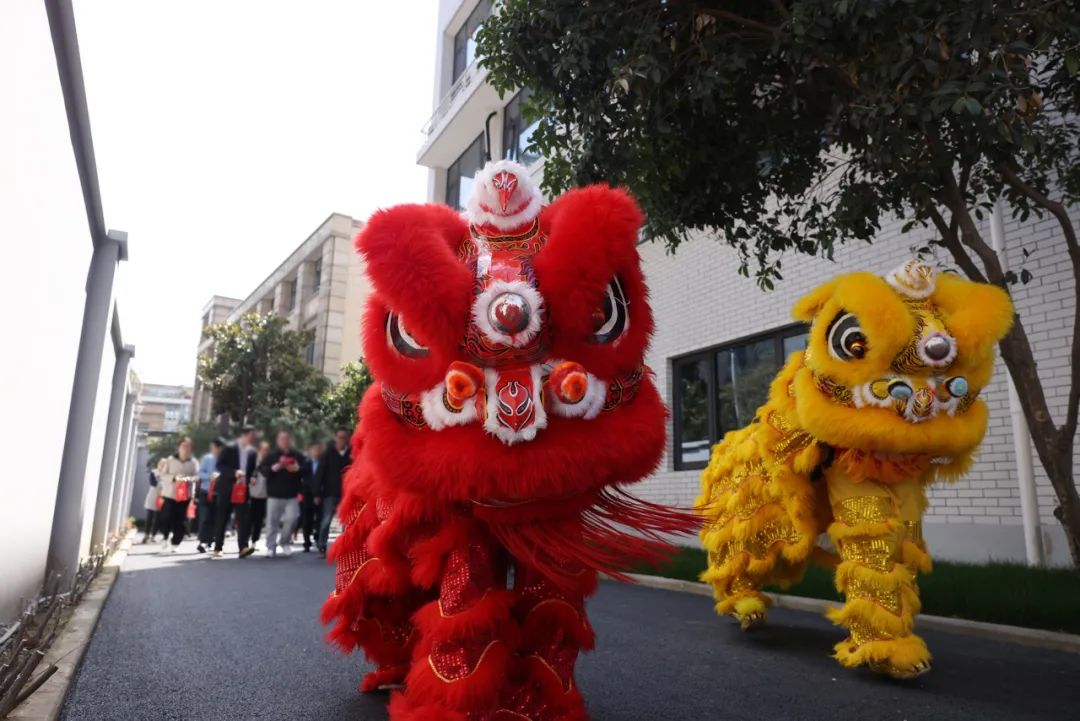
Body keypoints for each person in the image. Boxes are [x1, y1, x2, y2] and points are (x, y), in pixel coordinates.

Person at [211, 426, 258, 559]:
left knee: (243, 519)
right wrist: (234, 472)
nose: (253, 439)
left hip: (242, 490)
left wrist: (253, 477)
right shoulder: (229, 448)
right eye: (251, 436)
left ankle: (243, 547)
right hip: (227, 488)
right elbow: (220, 465)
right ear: (244, 435)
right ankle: (218, 548)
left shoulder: (252, 452)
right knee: (222, 517)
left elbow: (254, 469)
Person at [258, 429, 306, 557]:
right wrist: (272, 469)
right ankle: (270, 547)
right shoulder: (271, 456)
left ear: (290, 440)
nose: (284, 441)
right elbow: (262, 469)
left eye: (286, 438)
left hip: (291, 494)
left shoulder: (297, 455)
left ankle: (284, 542)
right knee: (271, 522)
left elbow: (307, 469)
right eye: (281, 439)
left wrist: (298, 469)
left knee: (292, 519)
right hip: (274, 494)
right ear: (278, 441)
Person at [156, 437, 199, 553]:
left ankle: (176, 542)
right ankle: (165, 536)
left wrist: (187, 479)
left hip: (185, 496)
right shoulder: (170, 460)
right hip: (170, 494)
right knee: (166, 516)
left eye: (188, 446)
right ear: (179, 447)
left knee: (181, 520)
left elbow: (196, 477)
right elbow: (163, 475)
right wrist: (174, 478)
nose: (186, 449)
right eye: (184, 446)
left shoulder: (193, 462)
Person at [315, 427, 351, 556]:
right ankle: (322, 546)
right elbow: (320, 473)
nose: (342, 440)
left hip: (347, 493)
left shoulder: (351, 453)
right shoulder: (328, 453)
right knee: (326, 520)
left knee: (347, 522)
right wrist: (316, 493)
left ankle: (346, 547)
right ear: (335, 438)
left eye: (344, 437)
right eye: (340, 437)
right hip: (330, 492)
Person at [195, 439, 223, 554]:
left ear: (220, 448)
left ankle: (211, 542)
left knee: (216, 519)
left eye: (214, 447)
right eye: (211, 447)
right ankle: (202, 541)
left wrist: (219, 476)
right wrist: (209, 476)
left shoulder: (226, 459)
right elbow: (200, 473)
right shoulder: (207, 458)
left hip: (219, 493)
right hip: (205, 492)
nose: (213, 450)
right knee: (204, 517)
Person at [297, 441, 324, 552]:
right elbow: (299, 478)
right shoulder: (305, 463)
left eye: (319, 449)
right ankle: (307, 542)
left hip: (321, 495)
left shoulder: (324, 463)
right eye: (315, 449)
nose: (317, 452)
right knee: (306, 520)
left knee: (320, 519)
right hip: (307, 495)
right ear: (310, 451)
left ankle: (318, 539)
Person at [248, 441, 270, 550]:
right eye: (263, 450)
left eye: (266, 450)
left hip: (264, 495)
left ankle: (254, 541)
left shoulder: (269, 463)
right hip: (251, 494)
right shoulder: (253, 461)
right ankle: (245, 542)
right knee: (250, 519)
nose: (264, 452)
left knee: (259, 520)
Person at [141, 467, 162, 544]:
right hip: (152, 497)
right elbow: (153, 483)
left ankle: (153, 536)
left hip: (162, 498)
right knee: (149, 517)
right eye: (161, 464)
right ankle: (146, 535)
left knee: (158, 518)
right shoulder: (154, 472)